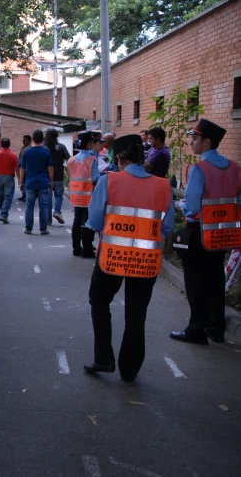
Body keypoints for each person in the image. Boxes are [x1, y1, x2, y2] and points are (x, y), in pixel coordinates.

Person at [83, 134, 175, 382]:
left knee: (99, 302)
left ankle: (104, 359)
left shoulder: (109, 180)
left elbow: (94, 220)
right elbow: (166, 227)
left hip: (111, 258)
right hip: (146, 262)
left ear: (120, 160)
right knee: (137, 313)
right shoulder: (163, 186)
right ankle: (130, 369)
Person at [170, 119, 241, 345]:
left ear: (207, 141)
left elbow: (191, 206)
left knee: (195, 282)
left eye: (195, 138)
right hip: (224, 234)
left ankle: (196, 329)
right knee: (215, 279)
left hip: (199, 232)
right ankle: (216, 328)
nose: (192, 142)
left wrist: (179, 206)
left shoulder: (198, 168)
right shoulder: (235, 167)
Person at [68, 131, 101, 258]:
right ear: (89, 144)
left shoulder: (72, 160)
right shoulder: (91, 160)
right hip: (88, 196)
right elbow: (96, 178)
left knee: (77, 220)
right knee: (86, 222)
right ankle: (87, 250)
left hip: (76, 195)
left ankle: (76, 248)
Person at [18, 129, 53, 235]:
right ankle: (43, 229)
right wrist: (51, 182)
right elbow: (50, 168)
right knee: (44, 206)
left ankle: (28, 228)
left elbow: (22, 169)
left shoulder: (26, 152)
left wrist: (21, 182)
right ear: (42, 139)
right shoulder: (46, 151)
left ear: (32, 139)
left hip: (30, 183)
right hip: (43, 183)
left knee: (29, 206)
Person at [0, 137, 19, 224]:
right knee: (8, 197)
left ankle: (3, 212)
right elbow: (16, 168)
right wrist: (20, 180)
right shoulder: (13, 155)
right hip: (9, 177)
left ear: (1, 145)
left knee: (1, 196)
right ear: (9, 145)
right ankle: (4, 214)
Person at [44, 128, 71, 225]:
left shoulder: (44, 148)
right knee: (59, 195)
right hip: (59, 175)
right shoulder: (61, 147)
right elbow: (69, 159)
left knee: (47, 197)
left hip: (46, 176)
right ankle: (57, 211)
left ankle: (48, 220)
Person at [18, 134, 32, 201]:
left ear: (29, 141)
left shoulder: (30, 148)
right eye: (23, 140)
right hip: (21, 167)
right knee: (22, 182)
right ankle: (24, 194)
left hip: (27, 168)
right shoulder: (23, 148)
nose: (24, 141)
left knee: (26, 182)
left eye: (25, 140)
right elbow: (20, 157)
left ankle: (27, 196)